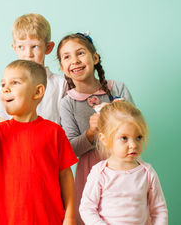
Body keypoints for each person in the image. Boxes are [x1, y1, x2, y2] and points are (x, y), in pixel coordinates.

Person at [0, 60, 78, 225]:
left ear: (37, 91)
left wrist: (69, 216)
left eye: (15, 83)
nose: (5, 88)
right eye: (3, 84)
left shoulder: (54, 132)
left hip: (51, 220)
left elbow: (65, 175)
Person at [57, 32, 134, 224]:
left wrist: (121, 116)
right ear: (62, 68)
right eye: (67, 57)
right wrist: (91, 133)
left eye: (80, 53)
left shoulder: (118, 89)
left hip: (125, 166)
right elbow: (72, 149)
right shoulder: (67, 103)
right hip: (90, 173)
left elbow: (137, 130)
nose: (75, 60)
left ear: (95, 57)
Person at [79, 101, 168, 224]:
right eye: (124, 138)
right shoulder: (100, 173)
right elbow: (87, 209)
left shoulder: (147, 173)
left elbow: (159, 210)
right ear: (104, 139)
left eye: (139, 137)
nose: (133, 145)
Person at [0, 13, 67, 124]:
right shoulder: (8, 84)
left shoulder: (60, 84)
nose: (28, 54)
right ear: (15, 48)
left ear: (48, 47)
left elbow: (66, 123)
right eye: (21, 47)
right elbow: (2, 122)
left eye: (34, 46)